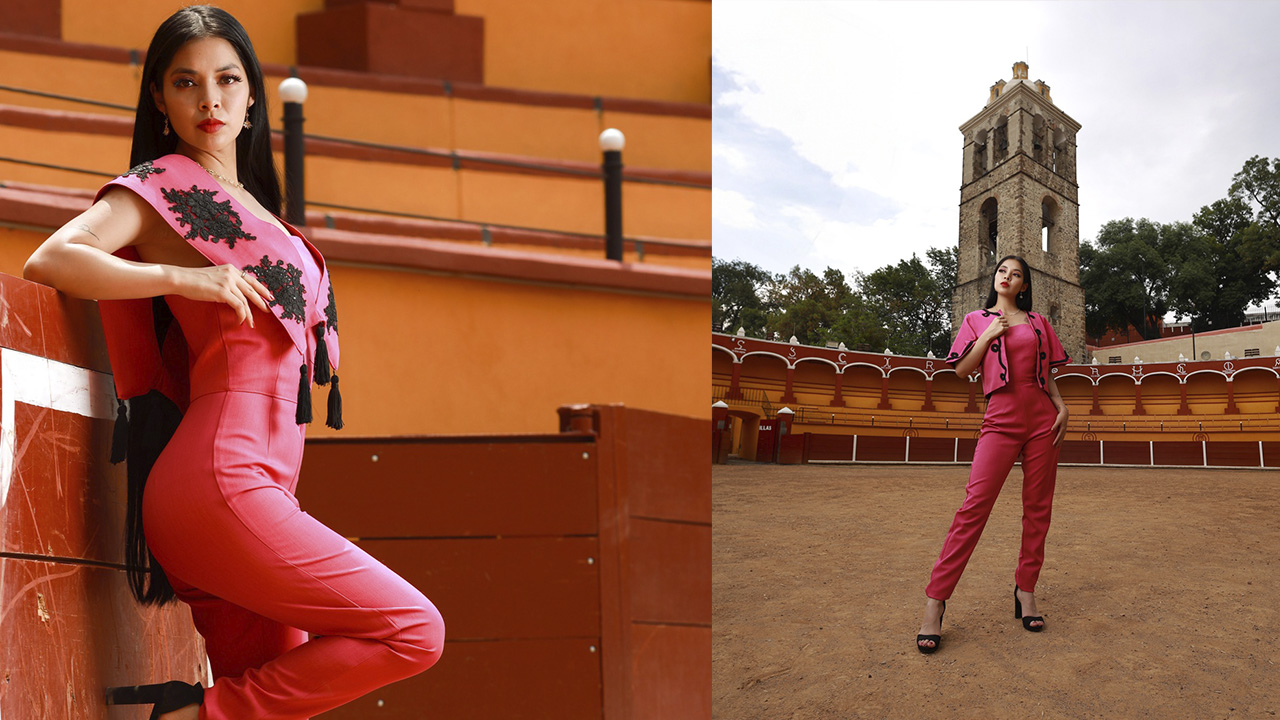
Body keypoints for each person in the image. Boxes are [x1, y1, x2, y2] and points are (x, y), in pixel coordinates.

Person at [23, 6, 443, 717]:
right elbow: (52, 258)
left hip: (262, 492)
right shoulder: (161, 188)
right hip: (218, 484)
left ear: (252, 96)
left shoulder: (265, 217)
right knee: (412, 629)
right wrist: (184, 279)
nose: (208, 99)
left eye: (226, 79)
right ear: (160, 99)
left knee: (282, 692)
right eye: (185, 83)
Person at [914, 255, 1070, 654]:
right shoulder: (975, 319)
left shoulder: (1038, 323)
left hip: (1041, 420)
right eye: (1003, 271)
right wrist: (987, 336)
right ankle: (935, 601)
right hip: (1000, 419)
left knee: (1038, 509)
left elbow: (1046, 372)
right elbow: (961, 371)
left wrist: (1062, 406)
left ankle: (1026, 591)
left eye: (1016, 274)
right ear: (995, 278)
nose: (1008, 277)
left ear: (1024, 286)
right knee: (973, 507)